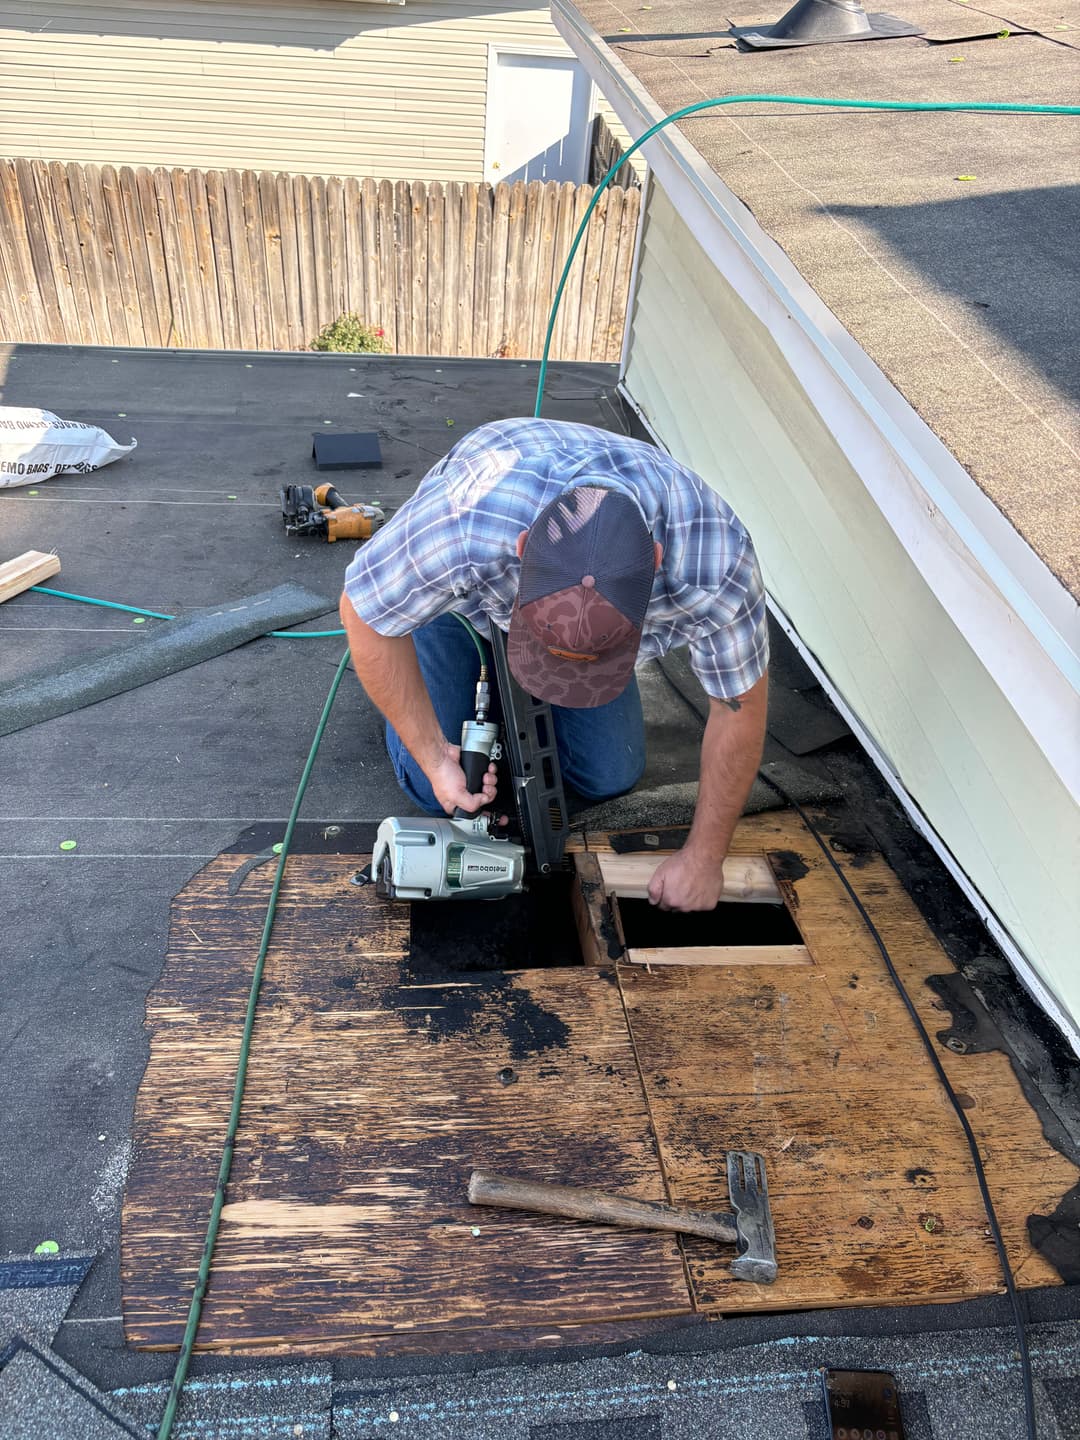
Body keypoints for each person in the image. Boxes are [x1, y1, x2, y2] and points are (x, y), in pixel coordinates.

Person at [339, 417, 768, 912]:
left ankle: (525, 668)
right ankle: (447, 659)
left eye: (588, 657)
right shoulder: (467, 521)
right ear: (523, 550)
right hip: (465, 598)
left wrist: (704, 858)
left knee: (609, 775)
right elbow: (363, 613)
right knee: (438, 793)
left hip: (556, 566)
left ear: (654, 562)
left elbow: (740, 709)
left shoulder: (717, 565)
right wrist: (435, 758)